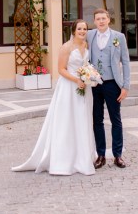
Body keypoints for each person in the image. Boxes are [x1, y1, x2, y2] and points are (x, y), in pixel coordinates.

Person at [12, 19, 96, 175]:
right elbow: (60, 69)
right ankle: (64, 158)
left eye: (85, 29)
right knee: (67, 120)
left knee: (82, 119)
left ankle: (83, 155)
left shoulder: (86, 45)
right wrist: (77, 79)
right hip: (69, 88)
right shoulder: (66, 47)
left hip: (84, 88)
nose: (82, 31)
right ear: (73, 30)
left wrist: (88, 77)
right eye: (79, 29)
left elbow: (86, 66)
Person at [87, 8, 131, 169]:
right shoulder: (90, 35)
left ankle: (118, 155)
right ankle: (101, 155)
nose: (101, 21)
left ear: (108, 20)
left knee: (115, 119)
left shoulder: (119, 37)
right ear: (94, 21)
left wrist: (125, 86)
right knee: (97, 120)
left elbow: (125, 62)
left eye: (103, 18)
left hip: (113, 83)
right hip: (94, 84)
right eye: (98, 19)